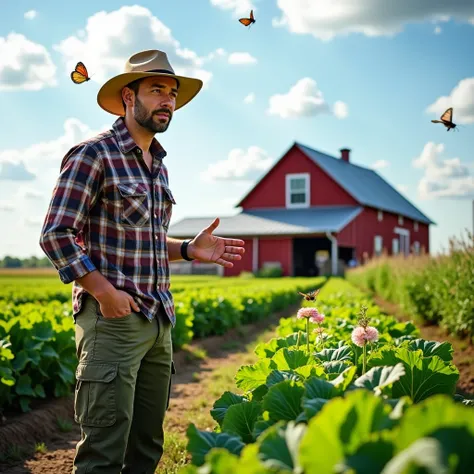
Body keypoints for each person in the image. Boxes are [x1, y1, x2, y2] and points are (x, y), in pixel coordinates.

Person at [39, 49, 245, 474]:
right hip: (112, 321)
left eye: (171, 92)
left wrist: (187, 249)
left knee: (147, 446)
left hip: (158, 320)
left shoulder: (159, 167)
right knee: (104, 450)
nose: (168, 100)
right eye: (157, 90)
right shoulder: (93, 154)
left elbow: (144, 238)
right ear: (128, 97)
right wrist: (103, 291)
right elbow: (56, 234)